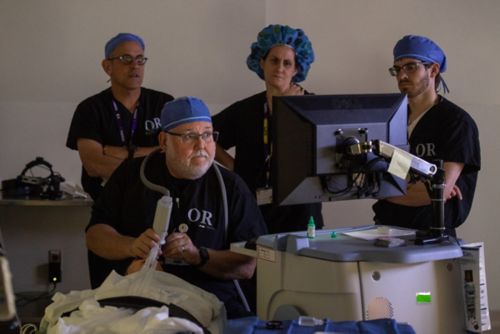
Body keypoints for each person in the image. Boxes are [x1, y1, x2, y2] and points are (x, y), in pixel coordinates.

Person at [85, 96, 268, 319]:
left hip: (210, 303)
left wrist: (197, 256)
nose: (201, 146)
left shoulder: (230, 187)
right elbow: (95, 235)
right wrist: (131, 247)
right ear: (163, 141)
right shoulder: (131, 176)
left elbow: (247, 266)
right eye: (189, 136)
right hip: (139, 298)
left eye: (207, 135)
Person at [212, 24, 324, 234]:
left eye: (287, 63)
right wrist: (235, 168)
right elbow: (206, 135)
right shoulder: (245, 109)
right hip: (254, 209)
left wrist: (288, 111)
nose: (280, 68)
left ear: (297, 69)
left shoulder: (313, 107)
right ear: (261, 62)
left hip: (301, 214)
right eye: (274, 60)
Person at [372, 35, 481, 237]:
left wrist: (385, 189)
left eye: (411, 67)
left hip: (432, 237)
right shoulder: (390, 120)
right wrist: (426, 190)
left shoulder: (456, 123)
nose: (402, 75)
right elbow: (371, 180)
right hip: (387, 231)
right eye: (397, 69)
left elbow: (437, 191)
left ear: (433, 70)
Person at [66, 32, 174, 201]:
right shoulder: (90, 109)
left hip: (155, 201)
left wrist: (124, 153)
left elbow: (173, 155)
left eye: (140, 60)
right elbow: (94, 165)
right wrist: (153, 157)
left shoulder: (164, 104)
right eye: (126, 59)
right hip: (107, 202)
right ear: (107, 66)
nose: (135, 66)